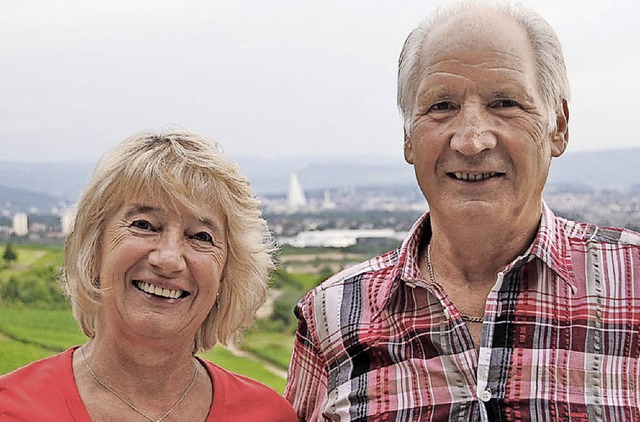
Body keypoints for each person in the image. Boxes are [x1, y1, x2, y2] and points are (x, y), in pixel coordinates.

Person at [285, 1, 640, 421]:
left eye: (505, 103)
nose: (471, 140)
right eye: (442, 107)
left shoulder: (633, 283)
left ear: (557, 126)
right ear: (408, 139)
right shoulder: (332, 315)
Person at [0, 131, 297, 421]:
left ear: (226, 275)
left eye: (201, 237)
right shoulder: (9, 407)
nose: (168, 260)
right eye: (144, 225)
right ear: (94, 250)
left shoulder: (269, 415)